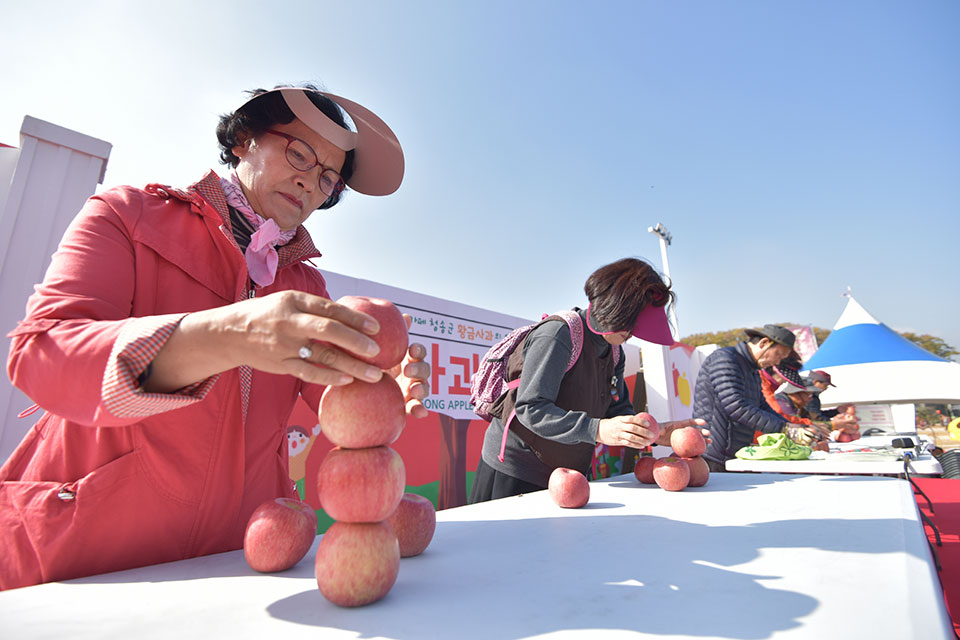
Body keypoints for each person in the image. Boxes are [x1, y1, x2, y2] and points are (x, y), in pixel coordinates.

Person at [0, 85, 430, 590]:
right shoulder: (129, 213)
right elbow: (42, 353)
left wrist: (378, 384)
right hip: (80, 563)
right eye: (299, 153)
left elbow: (329, 388)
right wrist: (230, 335)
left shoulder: (307, 284)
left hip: (236, 568)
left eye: (327, 177)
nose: (310, 182)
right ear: (245, 139)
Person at [468, 257, 708, 503]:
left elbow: (618, 410)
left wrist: (652, 432)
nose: (633, 333)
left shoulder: (615, 352)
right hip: (516, 470)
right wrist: (598, 429)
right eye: (633, 323)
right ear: (616, 307)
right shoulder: (558, 335)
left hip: (568, 476)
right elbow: (531, 408)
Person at [693, 324, 829, 472]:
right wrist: (785, 429)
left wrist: (795, 427)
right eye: (778, 355)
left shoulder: (753, 371)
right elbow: (736, 406)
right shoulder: (725, 359)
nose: (777, 363)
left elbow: (762, 406)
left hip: (736, 453)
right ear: (764, 343)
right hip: (713, 453)